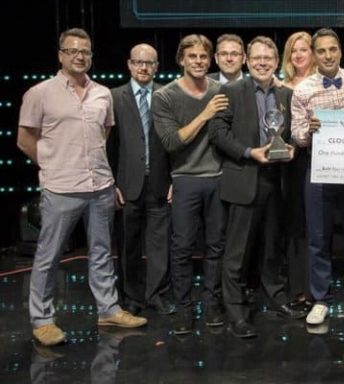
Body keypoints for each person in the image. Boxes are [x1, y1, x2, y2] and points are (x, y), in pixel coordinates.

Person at [17, 28, 147, 347]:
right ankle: (43, 320)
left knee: (102, 252)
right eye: (73, 51)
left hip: (100, 186)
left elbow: (103, 135)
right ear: (61, 54)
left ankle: (108, 309)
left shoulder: (102, 93)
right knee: (49, 256)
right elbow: (25, 139)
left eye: (85, 52)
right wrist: (53, 164)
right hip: (61, 188)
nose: (80, 56)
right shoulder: (40, 92)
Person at [209, 35, 305, 338]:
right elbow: (218, 132)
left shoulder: (285, 95)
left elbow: (290, 133)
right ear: (248, 62)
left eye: (268, 58)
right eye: (257, 59)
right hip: (245, 178)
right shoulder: (231, 90)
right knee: (237, 252)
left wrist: (292, 149)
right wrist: (250, 152)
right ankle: (236, 311)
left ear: (276, 62)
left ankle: (275, 297)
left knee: (272, 247)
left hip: (277, 181)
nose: (263, 63)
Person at [291, 28, 344, 327]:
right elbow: (296, 135)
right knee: (317, 237)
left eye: (332, 49)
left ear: (339, 51)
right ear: (314, 54)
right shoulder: (302, 90)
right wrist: (308, 131)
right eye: (321, 50)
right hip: (319, 168)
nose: (327, 55)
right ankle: (320, 299)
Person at [153, 34, 229, 335]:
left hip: (218, 178)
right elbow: (172, 142)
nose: (198, 62)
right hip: (185, 179)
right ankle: (184, 307)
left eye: (203, 57)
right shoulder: (166, 96)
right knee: (182, 247)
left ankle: (211, 303)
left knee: (216, 246)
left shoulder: (222, 90)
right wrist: (206, 114)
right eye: (192, 57)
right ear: (181, 59)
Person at [108, 43, 175, 316]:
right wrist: (111, 182)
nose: (143, 67)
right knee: (128, 245)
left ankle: (156, 294)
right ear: (129, 64)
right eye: (138, 62)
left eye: (149, 63)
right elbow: (107, 146)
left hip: (160, 181)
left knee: (160, 244)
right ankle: (131, 297)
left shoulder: (168, 94)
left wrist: (175, 179)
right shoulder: (113, 97)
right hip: (126, 184)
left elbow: (175, 142)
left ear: (157, 66)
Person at [280, 31, 316, 309]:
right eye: (294, 50)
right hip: (290, 163)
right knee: (295, 226)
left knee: (317, 225)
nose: (299, 54)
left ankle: (317, 287)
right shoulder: (280, 86)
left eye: (304, 49)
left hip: (319, 160)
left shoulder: (323, 84)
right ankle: (297, 287)